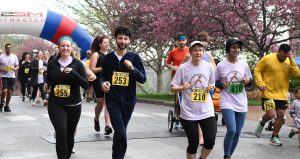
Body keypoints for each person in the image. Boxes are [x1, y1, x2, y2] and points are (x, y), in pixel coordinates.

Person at [101, 26, 146, 159]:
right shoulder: (108, 58)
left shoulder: (134, 57)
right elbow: (103, 76)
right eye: (120, 38)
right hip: (112, 100)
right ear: (115, 39)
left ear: (129, 41)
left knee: (121, 132)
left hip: (128, 101)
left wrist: (132, 68)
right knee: (120, 131)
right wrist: (103, 83)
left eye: (125, 38)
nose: (122, 41)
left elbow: (142, 78)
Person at [171, 41, 216, 159]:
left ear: (203, 52)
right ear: (190, 52)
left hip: (207, 111)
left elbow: (212, 83)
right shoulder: (183, 68)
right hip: (188, 112)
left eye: (200, 50)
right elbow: (173, 87)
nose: (198, 52)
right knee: (194, 143)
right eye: (195, 50)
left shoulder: (209, 67)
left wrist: (212, 87)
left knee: (210, 141)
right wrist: (181, 87)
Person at [45, 36, 88, 159]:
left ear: (71, 48)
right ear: (58, 47)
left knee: (69, 135)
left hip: (74, 105)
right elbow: (48, 81)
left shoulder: (78, 64)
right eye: (62, 46)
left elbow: (85, 84)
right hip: (56, 103)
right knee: (61, 133)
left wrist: (74, 73)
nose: (65, 48)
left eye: (68, 46)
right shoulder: (52, 63)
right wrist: (46, 86)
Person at [254, 43, 300, 146]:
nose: (283, 58)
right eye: (281, 55)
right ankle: (262, 123)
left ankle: (274, 136)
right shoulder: (268, 58)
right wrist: (260, 83)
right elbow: (257, 70)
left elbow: (297, 75)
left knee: (281, 115)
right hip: (268, 92)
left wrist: (291, 60)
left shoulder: (289, 61)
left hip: (282, 94)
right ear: (278, 51)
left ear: (289, 54)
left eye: (285, 56)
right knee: (270, 114)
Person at [215, 38, 252, 159]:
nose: (236, 50)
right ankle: (226, 156)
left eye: (238, 47)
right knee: (231, 130)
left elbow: (250, 80)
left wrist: (247, 80)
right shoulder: (221, 65)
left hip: (241, 101)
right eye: (233, 47)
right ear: (228, 49)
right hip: (227, 101)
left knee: (237, 133)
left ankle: (229, 155)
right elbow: (214, 82)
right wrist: (222, 85)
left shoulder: (244, 64)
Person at [89, 35, 113, 134]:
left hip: (108, 81)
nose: (107, 44)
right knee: (100, 103)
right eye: (105, 42)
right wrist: (103, 68)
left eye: (108, 42)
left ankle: (107, 126)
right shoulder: (96, 54)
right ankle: (96, 119)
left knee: (108, 103)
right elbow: (91, 69)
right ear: (100, 44)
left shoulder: (111, 55)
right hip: (98, 80)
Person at [166, 32, 189, 129]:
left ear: (186, 40)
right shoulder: (173, 52)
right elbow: (167, 63)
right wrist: (173, 66)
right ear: (177, 41)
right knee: (178, 101)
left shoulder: (190, 50)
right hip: (176, 79)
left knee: (187, 99)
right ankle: (178, 119)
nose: (181, 42)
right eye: (179, 40)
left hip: (188, 79)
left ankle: (188, 118)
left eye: (183, 40)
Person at [0, 43, 19, 112]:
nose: (9, 49)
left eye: (10, 47)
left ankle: (7, 105)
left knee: (9, 92)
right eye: (7, 47)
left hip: (12, 76)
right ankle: (1, 103)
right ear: (5, 49)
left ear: (11, 48)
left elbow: (17, 65)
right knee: (4, 91)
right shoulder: (1, 56)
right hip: (4, 76)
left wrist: (15, 68)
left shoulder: (14, 56)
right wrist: (2, 69)